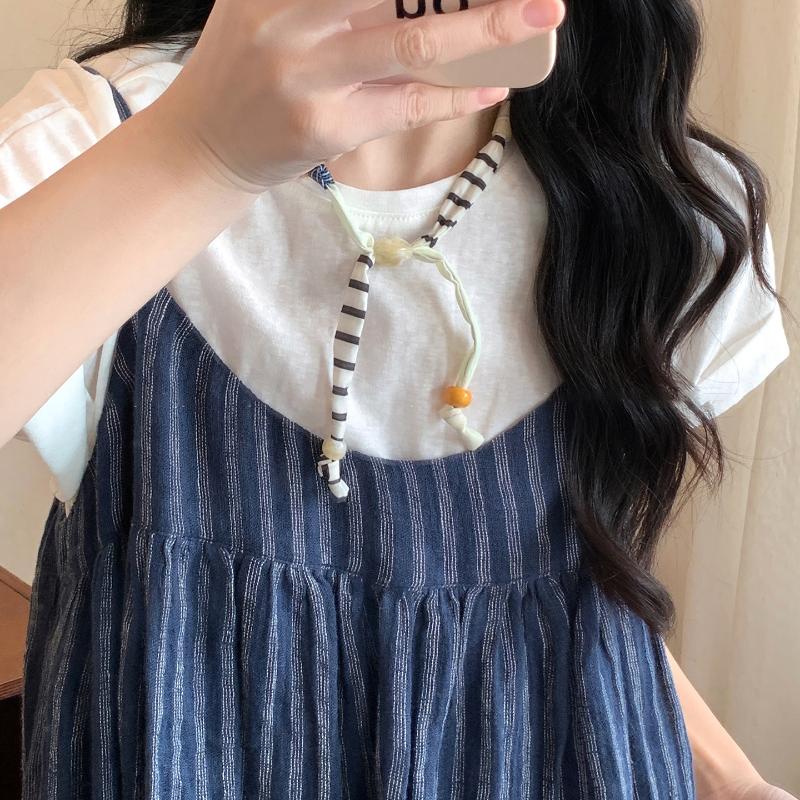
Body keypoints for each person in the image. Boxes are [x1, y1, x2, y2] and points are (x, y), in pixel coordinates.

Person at [0, 0, 795, 797]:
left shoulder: (671, 212)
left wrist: (735, 782)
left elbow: (569, 604)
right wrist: (204, 154)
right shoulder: (87, 143)